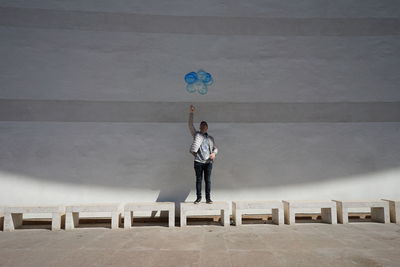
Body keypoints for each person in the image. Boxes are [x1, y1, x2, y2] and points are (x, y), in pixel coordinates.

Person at [188, 104, 218, 204]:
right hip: (198, 161)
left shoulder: (210, 138)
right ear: (200, 127)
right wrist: (191, 113)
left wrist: (214, 153)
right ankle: (198, 198)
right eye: (202, 126)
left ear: (207, 128)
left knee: (208, 181)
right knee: (198, 180)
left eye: (205, 126)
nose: (203, 127)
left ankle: (208, 198)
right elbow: (190, 125)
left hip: (208, 162)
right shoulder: (196, 134)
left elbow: (216, 149)